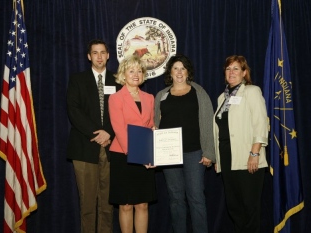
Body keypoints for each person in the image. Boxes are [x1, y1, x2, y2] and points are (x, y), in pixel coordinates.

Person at [154, 54, 215, 233]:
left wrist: (209, 152)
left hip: (194, 152)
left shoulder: (199, 92)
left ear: (188, 72)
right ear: (170, 73)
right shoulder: (161, 95)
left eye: (183, 68)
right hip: (169, 155)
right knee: (175, 199)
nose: (179, 72)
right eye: (175, 68)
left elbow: (208, 122)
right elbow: (156, 123)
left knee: (196, 197)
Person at [66, 39, 120, 233]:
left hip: (112, 148)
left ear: (108, 56)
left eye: (102, 52)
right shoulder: (77, 79)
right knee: (87, 203)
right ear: (89, 56)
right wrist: (97, 134)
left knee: (107, 203)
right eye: (95, 53)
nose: (99, 56)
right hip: (84, 147)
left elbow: (123, 113)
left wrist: (109, 133)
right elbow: (74, 110)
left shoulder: (118, 81)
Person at [213, 55, 268, 233]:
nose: (231, 72)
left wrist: (254, 153)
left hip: (247, 157)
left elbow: (260, 123)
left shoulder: (251, 91)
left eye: (236, 68)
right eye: (228, 69)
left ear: (244, 72)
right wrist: (217, 159)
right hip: (228, 157)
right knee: (235, 207)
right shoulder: (222, 98)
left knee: (249, 207)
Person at [108, 55, 156, 233]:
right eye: (131, 70)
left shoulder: (149, 98)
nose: (136, 74)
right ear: (123, 74)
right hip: (123, 156)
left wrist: (153, 149)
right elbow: (119, 130)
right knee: (126, 205)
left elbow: (150, 125)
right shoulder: (115, 98)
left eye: (139, 71)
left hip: (145, 155)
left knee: (142, 204)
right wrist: (138, 155)